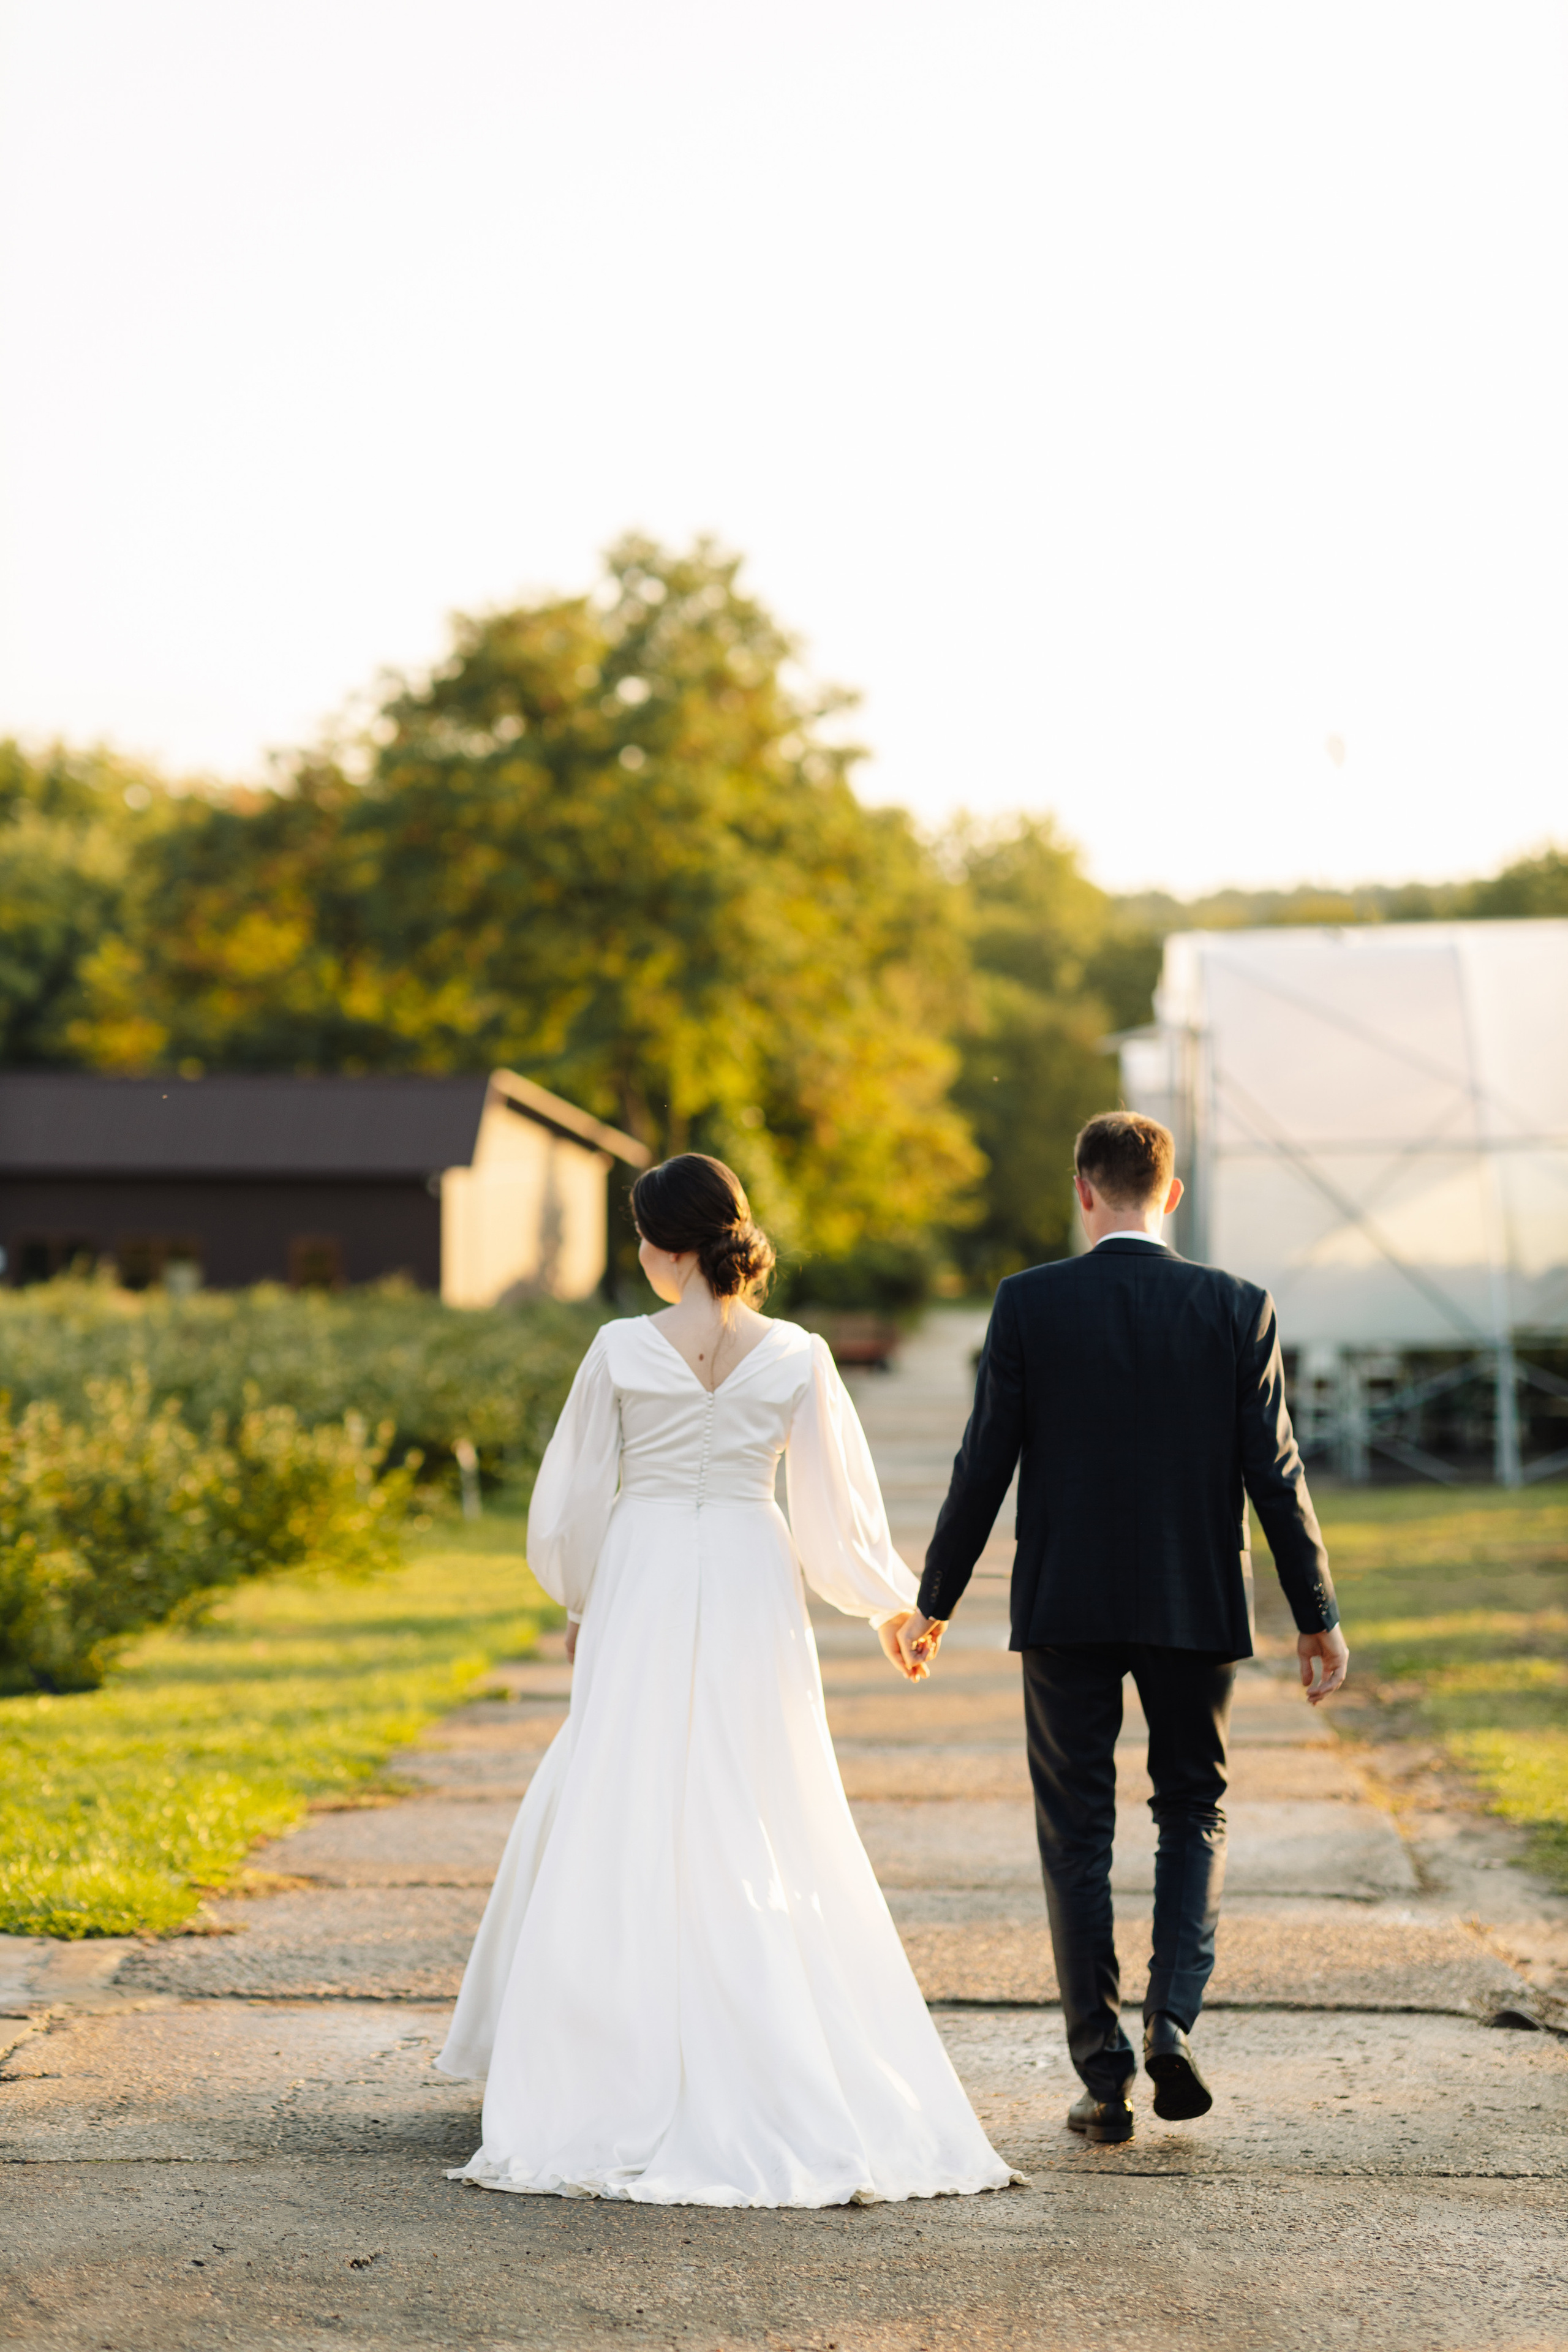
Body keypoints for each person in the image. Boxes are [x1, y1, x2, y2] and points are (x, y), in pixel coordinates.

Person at [437, 1152, 1014, 2207]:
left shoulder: (618, 1348)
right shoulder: (797, 1352)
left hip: (647, 1568)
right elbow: (834, 1511)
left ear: (664, 1247)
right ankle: (772, 2034)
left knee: (631, 1788)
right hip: (754, 1567)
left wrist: (582, 1599)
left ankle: (616, 2043)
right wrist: (890, 1603)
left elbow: (568, 1505)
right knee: (761, 1795)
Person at [896, 1110, 1348, 2146]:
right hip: (1195, 1600)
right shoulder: (1237, 1306)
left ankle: (1103, 2080)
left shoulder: (1027, 1304)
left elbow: (985, 1465)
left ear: (1082, 1191)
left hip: (1065, 1604)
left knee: (1077, 1836)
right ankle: (1172, 2024)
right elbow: (1275, 1472)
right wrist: (1316, 1613)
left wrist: (936, 1601)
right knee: (1193, 1808)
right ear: (1172, 1195)